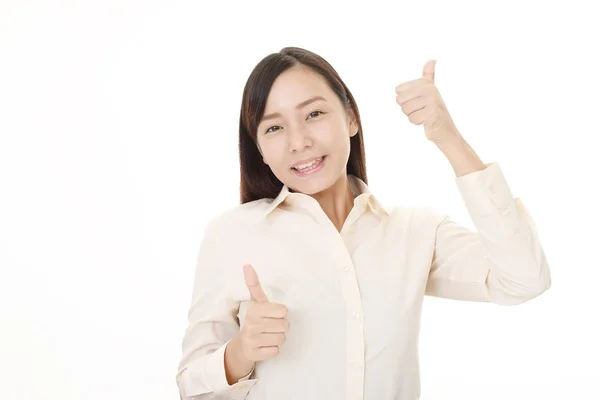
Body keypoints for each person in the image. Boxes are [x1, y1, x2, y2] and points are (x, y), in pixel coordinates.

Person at [175, 47, 551, 400]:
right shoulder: (231, 235)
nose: (299, 141)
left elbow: (524, 279)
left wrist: (447, 137)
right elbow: (190, 384)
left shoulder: (413, 232)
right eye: (274, 128)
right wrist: (239, 353)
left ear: (351, 117)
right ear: (258, 147)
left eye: (314, 114)